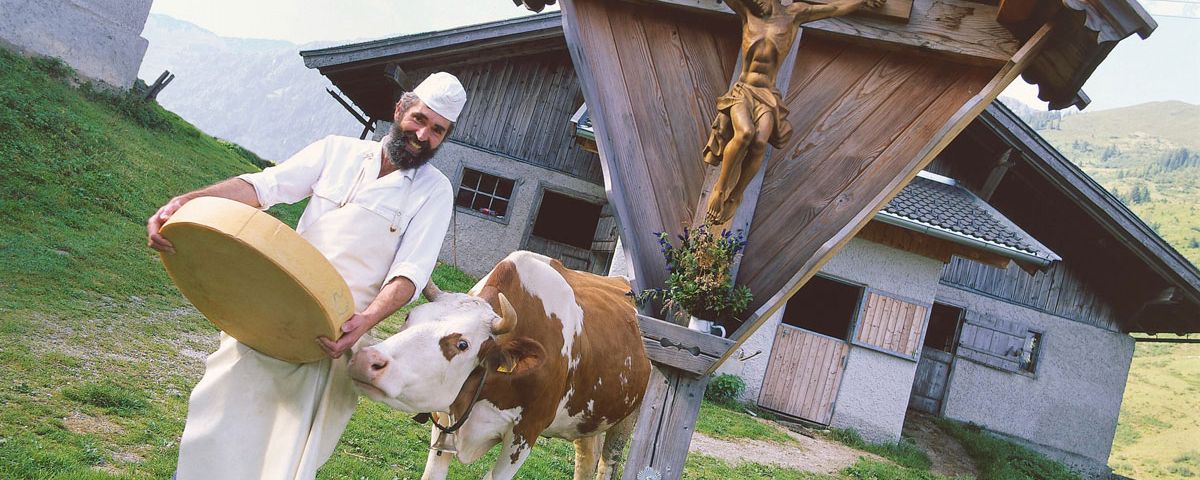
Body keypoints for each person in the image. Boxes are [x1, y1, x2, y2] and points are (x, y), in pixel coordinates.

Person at [146, 72, 466, 479]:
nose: (423, 135)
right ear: (400, 109)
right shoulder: (338, 151)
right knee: (220, 418)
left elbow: (411, 272)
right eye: (419, 119)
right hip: (269, 311)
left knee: (286, 454)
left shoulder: (434, 191)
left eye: (437, 130)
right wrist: (186, 202)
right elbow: (265, 187)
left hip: (334, 335)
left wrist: (364, 323)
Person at [702, 0, 885, 225]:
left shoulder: (794, 15)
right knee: (745, 133)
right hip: (743, 90)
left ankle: (737, 194)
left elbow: (835, 8)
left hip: (767, 94)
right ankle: (720, 190)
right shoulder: (747, 12)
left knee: (759, 142)